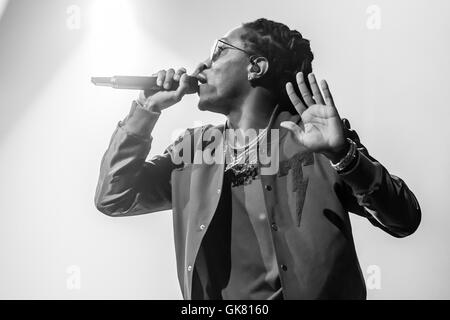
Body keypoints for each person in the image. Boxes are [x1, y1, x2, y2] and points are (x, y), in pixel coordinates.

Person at [94, 18, 421, 300]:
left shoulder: (316, 140)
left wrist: (343, 155)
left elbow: (404, 218)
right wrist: (145, 110)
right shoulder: (193, 150)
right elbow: (114, 197)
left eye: (218, 52)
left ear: (256, 67)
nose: (199, 67)